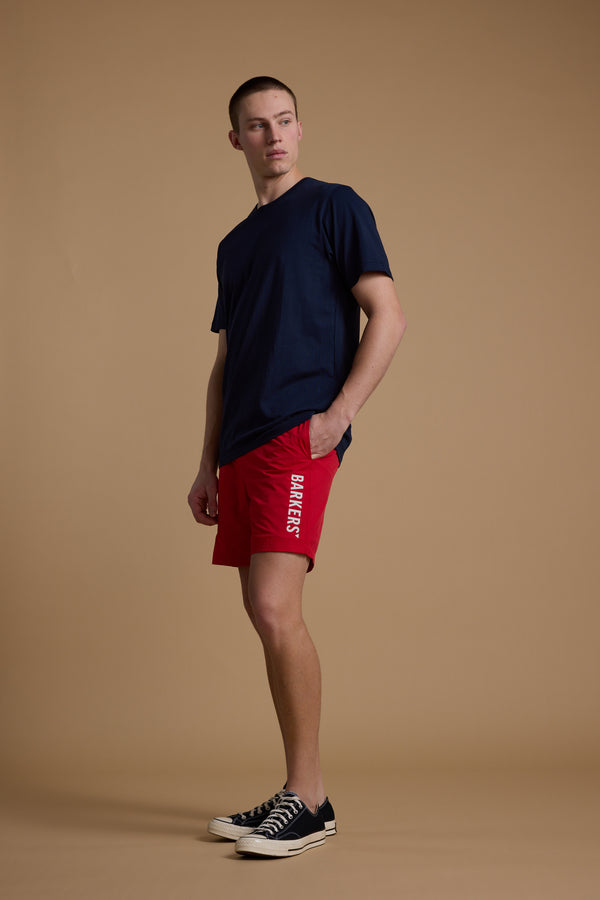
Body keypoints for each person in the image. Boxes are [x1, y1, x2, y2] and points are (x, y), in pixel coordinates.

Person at [187, 76, 406, 858]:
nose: (273, 135)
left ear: (300, 129)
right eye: (257, 125)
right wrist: (207, 462)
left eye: (284, 121)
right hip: (242, 446)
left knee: (276, 607)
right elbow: (226, 361)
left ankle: (309, 800)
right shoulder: (234, 245)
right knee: (262, 612)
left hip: (295, 434)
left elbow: (388, 314)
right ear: (237, 139)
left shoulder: (333, 207)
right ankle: (297, 793)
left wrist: (339, 414)